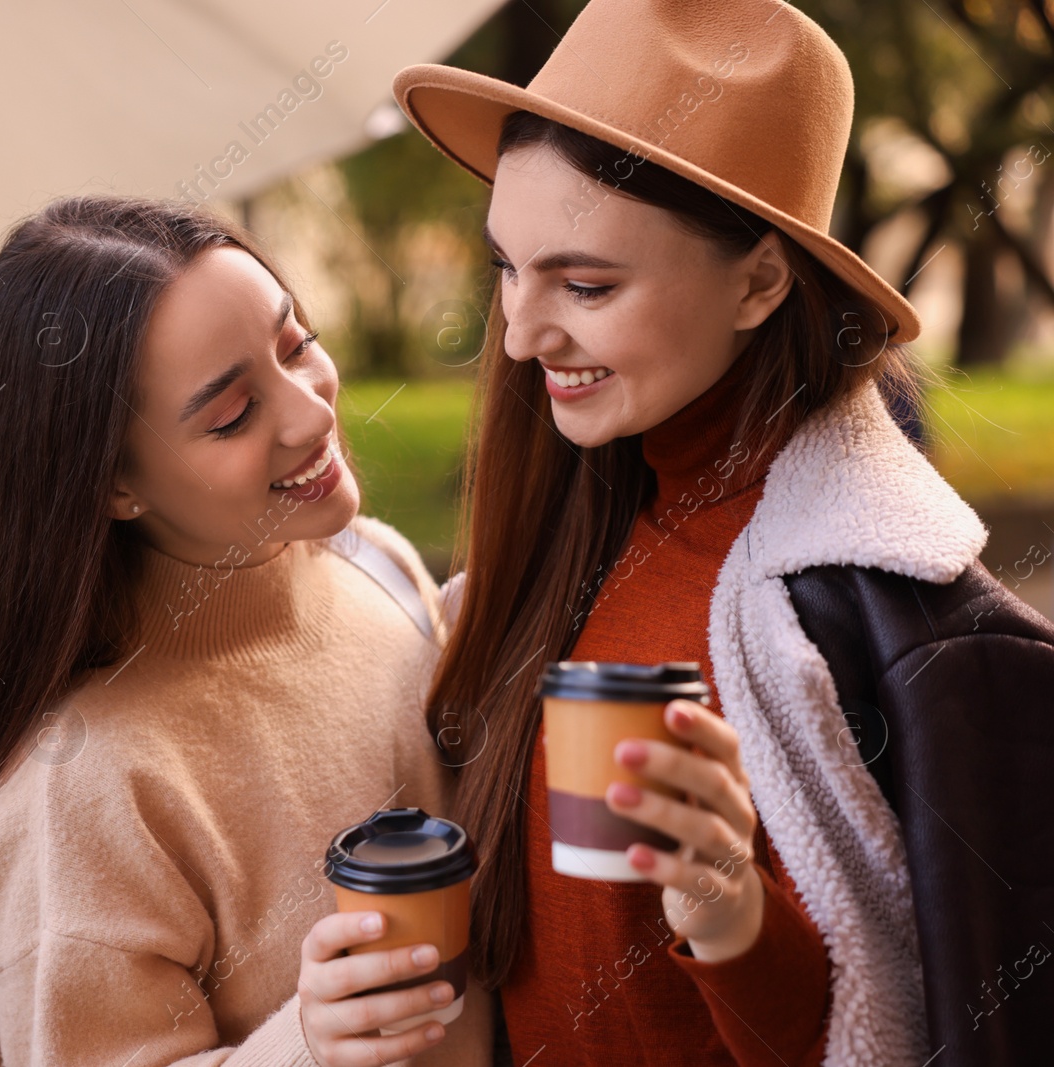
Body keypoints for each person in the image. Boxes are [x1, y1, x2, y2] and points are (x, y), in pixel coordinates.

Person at [393, 0, 1054, 1064]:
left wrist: (729, 911)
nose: (520, 334)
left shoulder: (882, 624)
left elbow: (906, 1028)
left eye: (585, 282)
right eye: (506, 267)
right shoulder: (558, 538)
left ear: (757, 280)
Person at [0, 195, 494, 1066]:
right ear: (115, 483)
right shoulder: (81, 791)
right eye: (232, 414)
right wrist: (305, 1046)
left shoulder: (372, 567)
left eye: (295, 343)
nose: (310, 413)